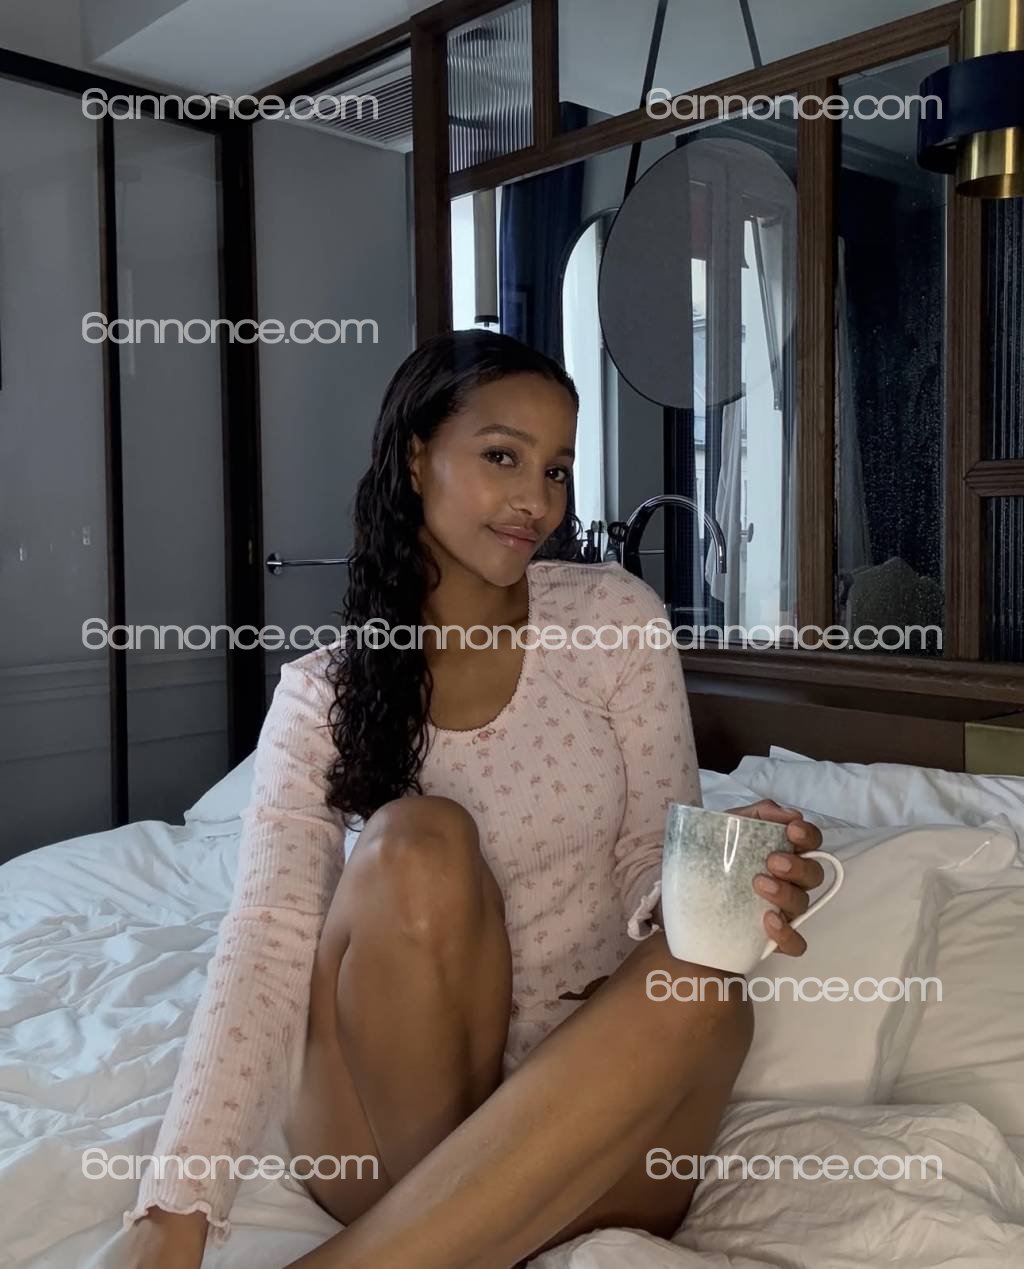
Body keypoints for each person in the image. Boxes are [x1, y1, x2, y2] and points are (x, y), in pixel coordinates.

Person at [125, 330, 825, 1268]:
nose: (537, 499)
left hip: (587, 1101)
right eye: (503, 457)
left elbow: (642, 865)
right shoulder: (324, 693)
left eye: (557, 470)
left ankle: (423, 1244)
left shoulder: (614, 620)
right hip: (381, 1124)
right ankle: (457, 1223)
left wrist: (719, 881)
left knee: (708, 979)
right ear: (417, 457)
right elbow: (269, 934)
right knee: (418, 840)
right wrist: (172, 1214)